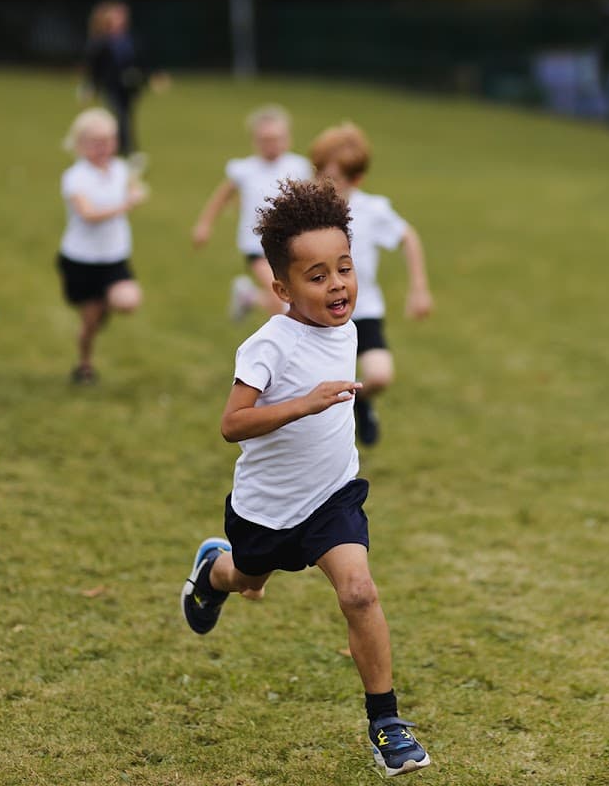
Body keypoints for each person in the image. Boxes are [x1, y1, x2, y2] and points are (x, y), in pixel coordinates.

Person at [181, 179, 431, 778]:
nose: (337, 285)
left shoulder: (344, 323)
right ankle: (214, 573)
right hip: (266, 509)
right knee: (248, 577)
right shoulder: (267, 345)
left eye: (344, 268)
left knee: (360, 592)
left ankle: (387, 724)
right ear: (281, 287)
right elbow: (232, 424)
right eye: (316, 277)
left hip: (333, 498)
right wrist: (304, 404)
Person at [308, 122, 432, 446]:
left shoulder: (372, 209)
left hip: (362, 310)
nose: (323, 181)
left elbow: (408, 237)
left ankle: (361, 403)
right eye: (319, 172)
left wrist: (418, 289)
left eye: (332, 177)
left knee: (379, 375)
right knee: (312, 387)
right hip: (315, 314)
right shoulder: (307, 209)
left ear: (356, 179)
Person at [192, 104, 313, 320]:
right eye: (265, 140)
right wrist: (204, 224)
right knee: (281, 299)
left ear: (288, 138)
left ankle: (248, 297)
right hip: (256, 245)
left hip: (291, 244)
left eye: (277, 138)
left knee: (295, 297)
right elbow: (221, 197)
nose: (271, 145)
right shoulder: (245, 170)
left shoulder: (300, 167)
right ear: (255, 141)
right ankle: (282, 346)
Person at [55, 108, 146, 385]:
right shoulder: (74, 177)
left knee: (129, 301)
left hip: (114, 258)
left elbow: (133, 186)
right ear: (81, 145)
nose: (104, 147)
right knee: (91, 323)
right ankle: (84, 365)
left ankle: (105, 301)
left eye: (109, 140)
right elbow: (88, 214)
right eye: (96, 142)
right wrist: (127, 204)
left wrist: (135, 192)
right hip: (81, 260)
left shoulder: (120, 169)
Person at [82, 0, 149, 158]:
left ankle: (123, 149)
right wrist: (91, 85)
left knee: (126, 116)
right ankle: (126, 150)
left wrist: (145, 77)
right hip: (111, 85)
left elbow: (140, 60)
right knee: (120, 116)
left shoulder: (129, 38)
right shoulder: (101, 41)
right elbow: (94, 66)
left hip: (129, 87)